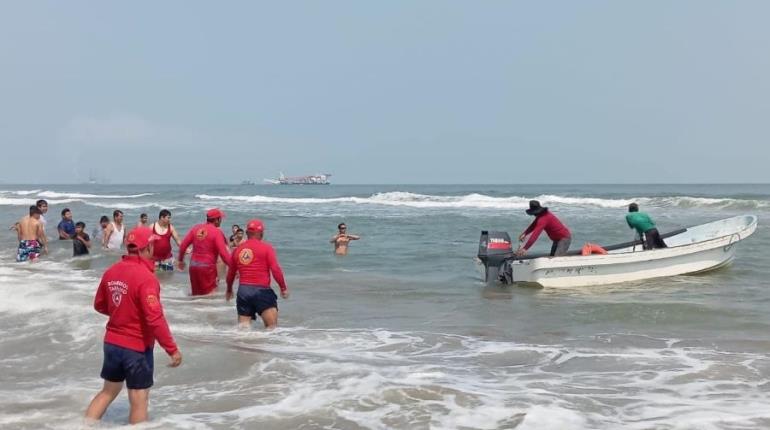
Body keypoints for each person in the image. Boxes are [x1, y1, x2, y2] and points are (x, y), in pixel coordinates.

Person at [85, 227, 182, 425]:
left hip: (111, 343)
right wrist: (172, 349)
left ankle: (82, 427)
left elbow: (99, 305)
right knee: (139, 399)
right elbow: (155, 319)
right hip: (135, 347)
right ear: (147, 247)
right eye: (153, 243)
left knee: (108, 391)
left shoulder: (112, 270)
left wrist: (122, 313)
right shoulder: (146, 278)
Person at [226, 219, 289, 329]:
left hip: (243, 292)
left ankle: (243, 346)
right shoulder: (267, 248)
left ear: (247, 233)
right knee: (272, 328)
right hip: (262, 291)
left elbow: (231, 273)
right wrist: (283, 288)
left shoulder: (238, 250)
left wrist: (229, 289)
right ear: (261, 233)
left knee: (243, 330)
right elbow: (275, 269)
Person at [177, 208, 232, 296]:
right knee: (209, 297)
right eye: (220, 219)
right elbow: (223, 254)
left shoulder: (196, 228)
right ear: (217, 220)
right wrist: (233, 267)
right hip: (207, 268)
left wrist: (180, 260)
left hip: (193, 266)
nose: (221, 221)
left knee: (196, 296)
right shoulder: (217, 232)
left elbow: (183, 245)